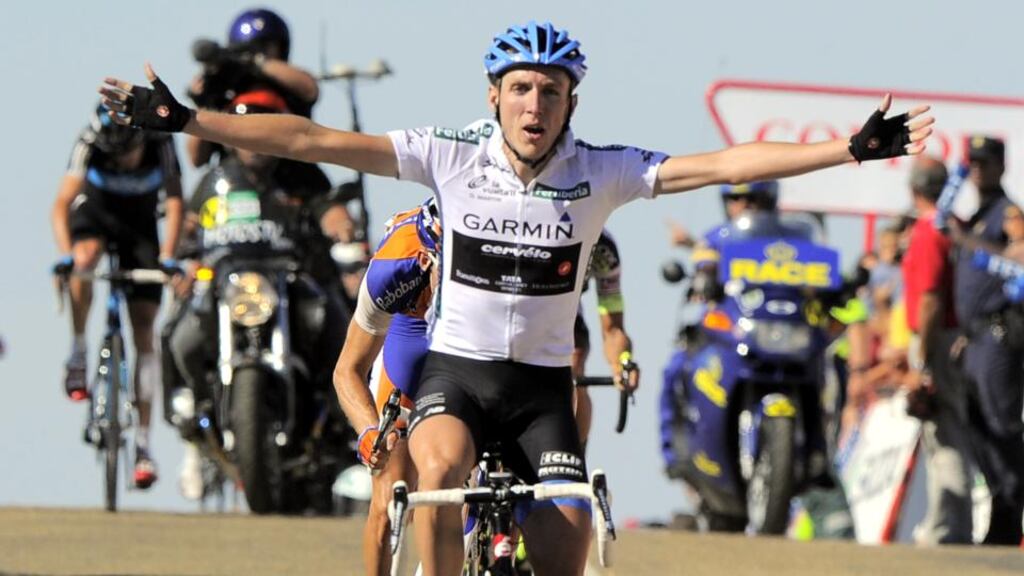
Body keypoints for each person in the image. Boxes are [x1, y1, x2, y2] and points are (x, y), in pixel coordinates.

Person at [100, 20, 932, 575]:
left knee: (570, 548)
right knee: (436, 471)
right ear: (494, 93)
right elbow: (311, 139)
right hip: (455, 377)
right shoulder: (448, 156)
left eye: (554, 91)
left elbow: (724, 165)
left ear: (574, 101)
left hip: (540, 393)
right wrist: (190, 121)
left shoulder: (600, 172)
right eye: (522, 89)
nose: (537, 106)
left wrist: (847, 151)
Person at [166, 89, 350, 499]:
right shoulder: (215, 181)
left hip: (289, 280)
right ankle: (189, 411)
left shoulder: (302, 174)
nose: (255, 141)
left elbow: (333, 212)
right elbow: (191, 229)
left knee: (334, 322)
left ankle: (339, 408)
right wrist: (183, 260)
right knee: (179, 335)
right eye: (245, 130)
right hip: (226, 283)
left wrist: (344, 232)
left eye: (264, 129)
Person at [51, 101, 183, 489]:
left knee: (144, 330)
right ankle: (78, 349)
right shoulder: (89, 139)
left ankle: (143, 444)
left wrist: (169, 258)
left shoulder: (159, 143)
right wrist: (65, 256)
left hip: (140, 225)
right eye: (115, 155)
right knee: (85, 259)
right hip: (95, 215)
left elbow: (174, 202)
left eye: (128, 153)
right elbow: (61, 205)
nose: (123, 162)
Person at [333, 199, 440, 576]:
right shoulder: (396, 264)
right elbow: (347, 369)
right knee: (390, 496)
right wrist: (368, 431)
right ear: (429, 257)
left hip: (472, 344)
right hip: (410, 336)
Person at [949, 135, 1024, 545]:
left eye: (985, 162)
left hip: (1000, 334)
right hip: (975, 338)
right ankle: (1002, 509)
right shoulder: (977, 213)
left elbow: (1020, 256)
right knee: (979, 429)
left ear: (1001, 165)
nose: (978, 169)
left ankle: (1011, 511)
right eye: (972, 163)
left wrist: (968, 242)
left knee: (1002, 425)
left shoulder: (1008, 212)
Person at [901, 156, 973, 544]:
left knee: (943, 432)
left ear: (914, 189)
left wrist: (920, 360)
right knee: (946, 431)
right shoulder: (954, 226)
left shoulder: (930, 231)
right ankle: (951, 525)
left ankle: (946, 528)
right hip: (954, 336)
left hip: (937, 338)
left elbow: (928, 299)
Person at [572, 229, 638, 451]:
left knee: (572, 365)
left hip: (564, 318)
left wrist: (622, 362)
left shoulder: (603, 249)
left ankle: (574, 460)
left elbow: (613, 329)